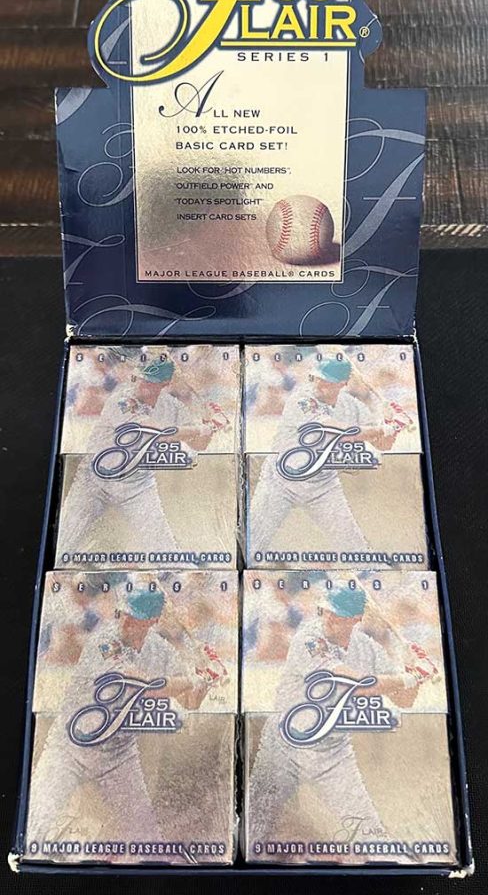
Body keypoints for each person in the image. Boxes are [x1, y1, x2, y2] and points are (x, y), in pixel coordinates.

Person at [27, 585, 214, 856]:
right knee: (35, 825)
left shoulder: (160, 650)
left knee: (147, 840)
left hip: (117, 758)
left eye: (134, 616)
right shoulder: (105, 640)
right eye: (124, 612)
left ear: (152, 621)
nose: (125, 620)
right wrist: (189, 680)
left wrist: (205, 679)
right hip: (68, 748)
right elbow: (143, 685)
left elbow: (190, 702)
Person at [246, 585, 419, 859]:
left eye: (337, 614)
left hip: (332, 753)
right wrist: (405, 678)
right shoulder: (309, 639)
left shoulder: (367, 648)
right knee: (254, 835)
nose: (328, 617)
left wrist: (414, 671)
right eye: (326, 610)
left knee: (369, 834)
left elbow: (405, 700)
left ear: (355, 619)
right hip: (283, 748)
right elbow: (357, 684)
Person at [56, 357, 216, 560]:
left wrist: (210, 424)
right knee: (63, 545)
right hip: (94, 481)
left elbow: (199, 445)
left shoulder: (172, 407)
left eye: (150, 381)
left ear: (164, 383)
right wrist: (199, 429)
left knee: (166, 553)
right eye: (141, 378)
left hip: (136, 485)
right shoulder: (122, 401)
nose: (142, 384)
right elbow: (158, 433)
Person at [248, 358, 396, 562]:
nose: (319, 383)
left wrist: (391, 423)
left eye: (327, 380)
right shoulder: (302, 399)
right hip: (280, 481)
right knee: (251, 545)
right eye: (317, 378)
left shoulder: (353, 406)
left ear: (342, 383)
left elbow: (383, 445)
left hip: (322, 485)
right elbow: (339, 432)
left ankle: (370, 576)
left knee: (356, 550)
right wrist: (381, 429)